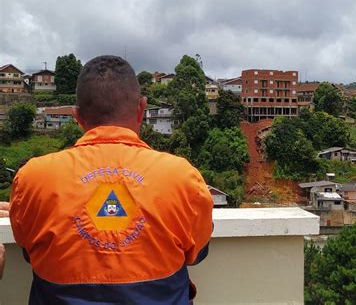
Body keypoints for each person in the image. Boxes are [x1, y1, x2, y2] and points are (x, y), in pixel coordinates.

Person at [9, 55, 213, 304]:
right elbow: (198, 253)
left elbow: (29, 253)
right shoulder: (182, 177)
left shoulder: (33, 179)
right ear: (142, 108)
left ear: (77, 116)